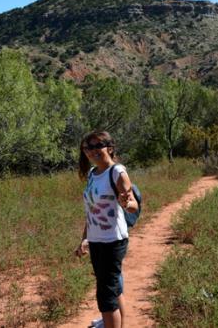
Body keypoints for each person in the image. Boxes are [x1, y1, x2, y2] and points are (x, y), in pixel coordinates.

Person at [74, 131, 139, 328]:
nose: (92, 151)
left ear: (109, 148)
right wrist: (85, 238)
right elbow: (92, 211)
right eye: (87, 147)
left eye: (97, 146)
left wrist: (126, 204)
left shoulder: (117, 172)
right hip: (97, 240)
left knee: (105, 296)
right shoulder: (93, 174)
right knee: (113, 289)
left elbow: (133, 204)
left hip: (113, 241)